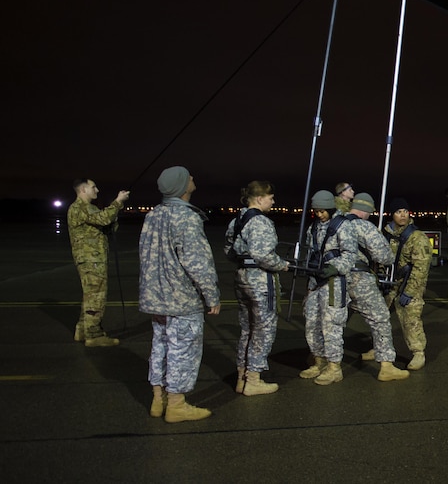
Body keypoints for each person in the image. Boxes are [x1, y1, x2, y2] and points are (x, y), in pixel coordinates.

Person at [138, 166, 220, 423]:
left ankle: (157, 398)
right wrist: (211, 295)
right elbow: (198, 263)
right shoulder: (186, 218)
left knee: (160, 346)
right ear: (182, 186)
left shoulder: (153, 215)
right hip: (181, 298)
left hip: (156, 297)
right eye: (189, 178)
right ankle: (176, 404)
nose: (193, 179)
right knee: (183, 349)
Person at [224, 181, 290, 396]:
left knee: (248, 329)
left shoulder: (237, 221)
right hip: (260, 280)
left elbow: (228, 249)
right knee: (263, 330)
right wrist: (282, 265)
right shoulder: (260, 222)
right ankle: (253, 378)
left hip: (242, 276)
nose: (273, 201)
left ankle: (242, 376)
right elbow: (263, 255)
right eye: (271, 198)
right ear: (260, 199)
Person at [343, 193, 409, 382]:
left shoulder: (334, 224)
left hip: (335, 280)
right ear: (366, 210)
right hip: (359, 279)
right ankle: (386, 366)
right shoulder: (364, 226)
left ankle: (321, 360)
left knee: (334, 321)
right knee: (380, 318)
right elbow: (385, 257)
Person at [299, 190, 357, 386]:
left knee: (331, 324)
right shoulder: (314, 227)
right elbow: (311, 251)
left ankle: (334, 367)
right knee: (312, 322)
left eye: (323, 211)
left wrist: (334, 267)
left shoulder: (343, 226)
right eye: (317, 211)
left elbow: (350, 255)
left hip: (334, 282)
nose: (320, 214)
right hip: (315, 280)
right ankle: (319, 360)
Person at [67, 178, 130, 347]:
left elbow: (106, 226)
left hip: (93, 259)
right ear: (83, 190)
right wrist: (117, 202)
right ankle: (94, 335)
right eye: (93, 187)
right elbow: (103, 219)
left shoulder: (89, 208)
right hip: (91, 260)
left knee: (90, 295)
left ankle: (83, 329)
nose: (97, 190)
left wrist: (115, 213)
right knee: (96, 295)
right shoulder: (80, 207)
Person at [384, 198, 431, 370]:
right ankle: (379, 349)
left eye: (405, 211)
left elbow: (421, 268)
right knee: (379, 318)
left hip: (410, 283)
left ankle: (418, 353)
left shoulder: (417, 237)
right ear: (392, 215)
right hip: (389, 283)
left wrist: (409, 292)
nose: (402, 215)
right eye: (398, 212)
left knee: (411, 320)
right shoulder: (386, 235)